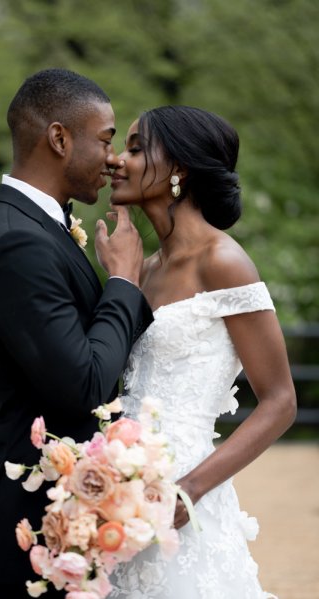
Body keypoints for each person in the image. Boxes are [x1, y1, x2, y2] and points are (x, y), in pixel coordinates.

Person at [0, 68, 153, 598]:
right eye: (106, 139)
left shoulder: (39, 227)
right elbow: (84, 383)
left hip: (66, 514)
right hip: (34, 524)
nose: (114, 159)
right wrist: (122, 281)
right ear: (60, 138)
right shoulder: (16, 244)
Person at [108, 105, 296, 598]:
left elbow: (280, 401)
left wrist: (188, 491)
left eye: (133, 147)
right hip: (117, 489)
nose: (116, 161)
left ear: (179, 169)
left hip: (187, 489)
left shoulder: (224, 262)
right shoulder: (142, 268)